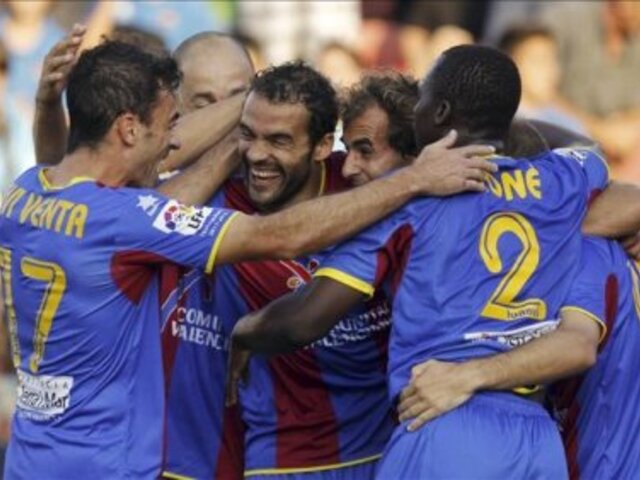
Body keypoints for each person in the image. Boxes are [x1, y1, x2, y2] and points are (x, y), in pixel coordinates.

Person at [0, 41, 497, 479]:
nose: (174, 139)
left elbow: (96, 176)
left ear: (322, 145)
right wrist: (413, 179)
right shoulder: (130, 218)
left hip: (32, 457)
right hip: (112, 461)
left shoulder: (23, 194)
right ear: (129, 128)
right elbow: (273, 238)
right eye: (172, 122)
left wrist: (245, 124)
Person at [229, 45, 615, 479]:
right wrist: (496, 124)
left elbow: (303, 322)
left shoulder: (407, 203)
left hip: (442, 422)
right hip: (536, 443)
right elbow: (588, 148)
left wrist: (243, 334)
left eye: (423, 102)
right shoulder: (563, 180)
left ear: (441, 112)